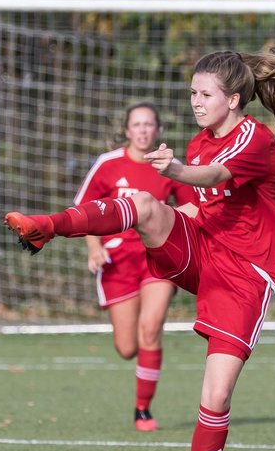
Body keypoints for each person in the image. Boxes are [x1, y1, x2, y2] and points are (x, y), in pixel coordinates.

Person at [5, 49, 275, 451]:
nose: (195, 102)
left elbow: (212, 178)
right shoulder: (199, 142)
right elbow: (192, 201)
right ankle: (46, 227)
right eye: (191, 93)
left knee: (216, 396)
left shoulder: (255, 139)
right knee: (142, 204)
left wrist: (178, 171)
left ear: (231, 98)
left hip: (245, 276)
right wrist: (163, 207)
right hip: (202, 249)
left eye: (204, 94)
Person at [73, 103, 197, 431]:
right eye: (137, 125)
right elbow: (85, 208)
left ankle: (143, 409)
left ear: (157, 131)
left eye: (149, 125)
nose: (143, 130)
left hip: (157, 256)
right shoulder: (108, 164)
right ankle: (140, 388)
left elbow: (191, 206)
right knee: (127, 347)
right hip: (118, 261)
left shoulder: (168, 166)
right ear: (127, 130)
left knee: (151, 327)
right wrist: (94, 245)